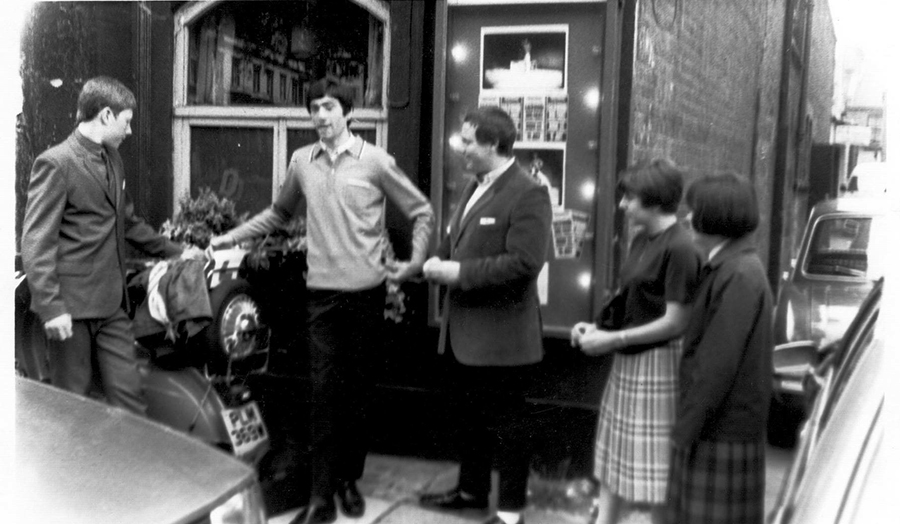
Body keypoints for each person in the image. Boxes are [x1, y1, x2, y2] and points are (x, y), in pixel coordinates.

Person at [209, 78, 434, 524]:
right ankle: (321, 496)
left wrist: (414, 263)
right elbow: (279, 213)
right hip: (322, 299)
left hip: (367, 297)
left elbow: (421, 211)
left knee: (358, 396)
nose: (320, 116)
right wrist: (227, 238)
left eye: (329, 107)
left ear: (348, 112)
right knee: (324, 393)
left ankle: (349, 479)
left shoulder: (375, 162)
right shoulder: (302, 162)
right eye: (314, 108)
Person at [22, 76, 192, 415]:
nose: (129, 131)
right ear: (105, 116)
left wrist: (179, 252)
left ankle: (130, 468)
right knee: (75, 405)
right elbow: (36, 242)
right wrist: (52, 308)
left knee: (129, 399)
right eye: (126, 121)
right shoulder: (56, 163)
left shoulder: (113, 160)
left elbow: (125, 222)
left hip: (112, 306)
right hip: (71, 310)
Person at [419, 106, 552, 524]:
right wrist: (425, 263)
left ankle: (511, 512)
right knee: (472, 421)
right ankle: (472, 492)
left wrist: (457, 273)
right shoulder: (475, 185)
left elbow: (524, 264)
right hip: (465, 335)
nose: (462, 148)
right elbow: (456, 241)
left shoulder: (529, 192)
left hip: (504, 339)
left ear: (493, 144)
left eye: (468, 141)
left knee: (510, 426)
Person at [570, 160, 702, 524]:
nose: (623, 206)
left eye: (630, 198)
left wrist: (614, 339)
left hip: (659, 362)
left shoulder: (681, 248)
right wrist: (595, 327)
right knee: (618, 456)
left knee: (653, 466)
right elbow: (631, 298)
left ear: (655, 201)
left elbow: (676, 322)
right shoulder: (642, 239)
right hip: (630, 356)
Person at [665, 172, 773, 524]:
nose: (686, 218)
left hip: (720, 430)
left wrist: (685, 430)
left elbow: (717, 364)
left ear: (716, 216)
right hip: (718, 427)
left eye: (694, 210)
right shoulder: (731, 267)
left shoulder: (738, 274)